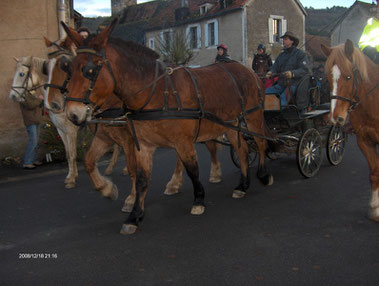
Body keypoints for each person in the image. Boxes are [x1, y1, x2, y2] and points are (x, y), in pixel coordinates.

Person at [265, 31, 309, 107]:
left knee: (283, 99)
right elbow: (275, 66)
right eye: (283, 39)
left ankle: (280, 117)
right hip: (281, 84)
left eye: (285, 39)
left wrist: (292, 73)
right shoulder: (281, 55)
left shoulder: (300, 54)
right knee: (265, 93)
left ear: (292, 41)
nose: (283, 41)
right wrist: (271, 72)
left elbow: (304, 70)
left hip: (294, 84)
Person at [19, 92, 44, 169]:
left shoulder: (33, 94)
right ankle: (27, 162)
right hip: (30, 121)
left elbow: (39, 105)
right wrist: (39, 99)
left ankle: (34, 160)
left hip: (36, 120)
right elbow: (30, 105)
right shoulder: (22, 95)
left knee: (35, 141)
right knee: (33, 141)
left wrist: (41, 100)